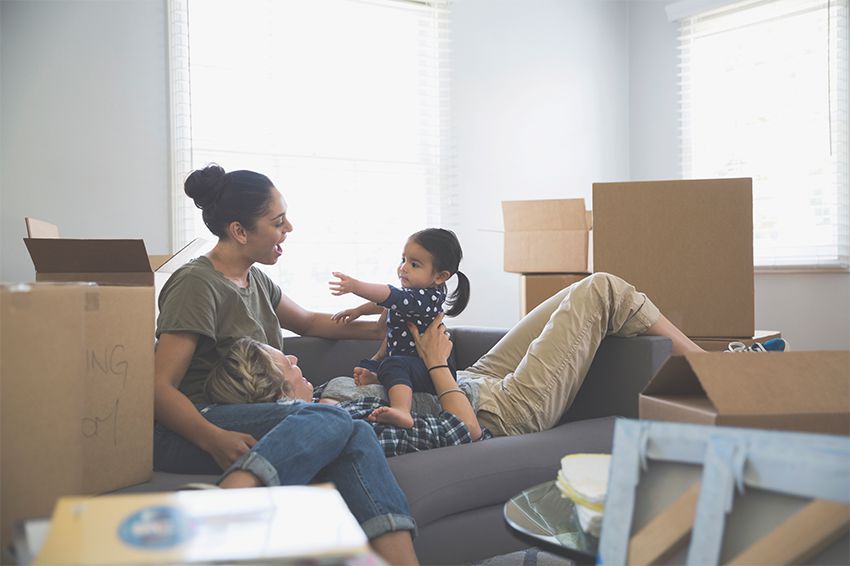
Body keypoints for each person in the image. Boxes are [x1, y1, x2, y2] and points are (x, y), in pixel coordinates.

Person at [153, 164, 418, 565]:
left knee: (353, 430)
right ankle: (226, 506)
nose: (289, 228)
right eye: (278, 222)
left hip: (252, 413)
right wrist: (212, 437)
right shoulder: (197, 285)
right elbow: (158, 387)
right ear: (240, 231)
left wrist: (384, 330)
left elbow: (310, 321)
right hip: (193, 425)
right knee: (330, 416)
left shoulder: (254, 279)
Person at [204, 324, 484, 457]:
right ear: (280, 396)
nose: (295, 359)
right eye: (286, 365)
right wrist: (436, 363)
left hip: (470, 380)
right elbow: (464, 428)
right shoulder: (354, 426)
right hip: (488, 407)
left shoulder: (320, 397)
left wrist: (382, 366)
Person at [328, 228, 470, 429]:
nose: (403, 268)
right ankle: (380, 377)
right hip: (407, 362)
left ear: (440, 276)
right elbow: (385, 302)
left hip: (429, 372)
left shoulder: (426, 298)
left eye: (414, 264)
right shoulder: (411, 294)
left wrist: (355, 286)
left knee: (394, 365)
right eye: (403, 260)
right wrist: (358, 311)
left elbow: (389, 295)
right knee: (369, 365)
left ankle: (402, 410)